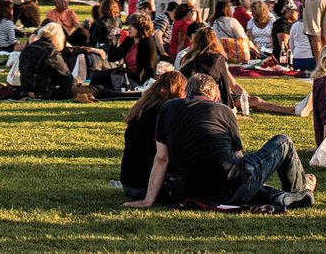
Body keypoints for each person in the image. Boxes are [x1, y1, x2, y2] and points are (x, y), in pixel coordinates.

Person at [129, 72, 316, 210]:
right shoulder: (223, 110)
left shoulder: (168, 108)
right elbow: (239, 159)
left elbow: (161, 159)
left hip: (196, 190)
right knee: (283, 142)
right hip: (229, 186)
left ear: (187, 92)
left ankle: (282, 197)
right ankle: (299, 191)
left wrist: (148, 200)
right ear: (214, 93)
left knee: (243, 182)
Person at [119, 71, 187, 202]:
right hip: (147, 185)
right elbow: (165, 157)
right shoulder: (167, 113)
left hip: (129, 183)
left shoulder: (141, 110)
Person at [18, 22, 75, 99]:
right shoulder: (51, 52)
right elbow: (67, 78)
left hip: (26, 90)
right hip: (46, 92)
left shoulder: (28, 48)